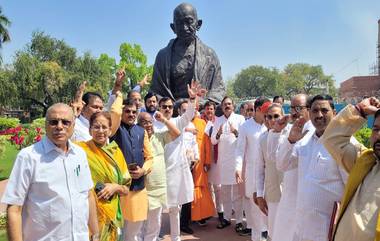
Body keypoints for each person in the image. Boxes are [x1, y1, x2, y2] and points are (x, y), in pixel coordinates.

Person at [2, 103, 100, 241]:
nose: (59, 126)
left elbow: (88, 195)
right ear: (46, 125)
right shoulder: (29, 157)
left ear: (73, 125)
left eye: (65, 122)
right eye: (54, 122)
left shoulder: (79, 155)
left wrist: (96, 235)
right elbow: (14, 208)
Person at [277, 95, 348, 241]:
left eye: (324, 110)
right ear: (309, 114)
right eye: (315, 110)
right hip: (301, 227)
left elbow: (351, 186)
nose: (319, 115)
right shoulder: (304, 141)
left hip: (327, 230)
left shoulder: (343, 144)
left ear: (334, 113)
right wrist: (290, 140)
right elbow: (282, 165)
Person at [322, 97, 379, 241]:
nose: (378, 136)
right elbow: (332, 139)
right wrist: (359, 110)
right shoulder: (365, 163)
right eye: (376, 129)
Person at [108, 73, 154, 241]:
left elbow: (150, 157)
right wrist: (118, 91)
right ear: (122, 112)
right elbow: (113, 110)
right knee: (118, 232)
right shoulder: (114, 129)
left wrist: (143, 170)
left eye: (134, 112)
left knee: (133, 232)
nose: (131, 114)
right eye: (127, 111)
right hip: (119, 188)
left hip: (138, 188)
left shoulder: (141, 132)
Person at [150, 3, 225, 104]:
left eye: (189, 22)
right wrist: (173, 105)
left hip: (200, 112)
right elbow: (155, 92)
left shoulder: (210, 55)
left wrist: (198, 103)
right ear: (173, 27)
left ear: (198, 24)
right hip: (171, 113)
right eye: (179, 23)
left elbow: (219, 91)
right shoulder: (162, 56)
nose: (184, 27)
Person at [76, 110, 131, 241]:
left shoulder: (116, 152)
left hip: (111, 215)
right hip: (87, 215)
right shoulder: (80, 150)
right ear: (89, 130)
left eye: (104, 127)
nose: (100, 131)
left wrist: (115, 187)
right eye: (96, 126)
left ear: (110, 130)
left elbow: (126, 189)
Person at [272, 94, 314, 241]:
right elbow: (280, 164)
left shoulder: (317, 133)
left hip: (311, 202)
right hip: (290, 199)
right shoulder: (289, 131)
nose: (294, 112)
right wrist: (290, 140)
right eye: (292, 108)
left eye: (298, 108)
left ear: (309, 110)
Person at [137, 111, 181, 241]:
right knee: (139, 225)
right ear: (138, 124)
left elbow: (177, 134)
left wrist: (164, 120)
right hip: (141, 188)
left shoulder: (159, 136)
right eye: (144, 122)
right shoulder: (136, 138)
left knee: (154, 224)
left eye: (150, 122)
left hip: (158, 188)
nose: (148, 125)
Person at [235, 97, 270, 241]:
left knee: (270, 206)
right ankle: (257, 237)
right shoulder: (245, 126)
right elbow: (239, 149)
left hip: (270, 174)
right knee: (255, 207)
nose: (268, 115)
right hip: (253, 173)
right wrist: (237, 168)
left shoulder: (271, 125)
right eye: (265, 112)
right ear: (257, 110)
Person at [211, 97, 245, 230]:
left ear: (233, 106)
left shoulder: (240, 119)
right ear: (221, 106)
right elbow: (213, 141)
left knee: (237, 194)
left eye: (229, 104)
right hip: (223, 162)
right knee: (225, 192)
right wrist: (218, 133)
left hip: (236, 161)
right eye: (225, 104)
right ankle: (225, 218)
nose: (227, 106)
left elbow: (243, 139)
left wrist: (235, 131)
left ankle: (238, 221)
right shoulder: (218, 120)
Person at [255, 103, 284, 240]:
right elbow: (259, 169)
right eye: (269, 117)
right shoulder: (262, 139)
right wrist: (260, 195)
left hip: (293, 192)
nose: (273, 120)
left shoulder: (293, 135)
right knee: (273, 231)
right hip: (272, 193)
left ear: (283, 116)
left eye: (276, 116)